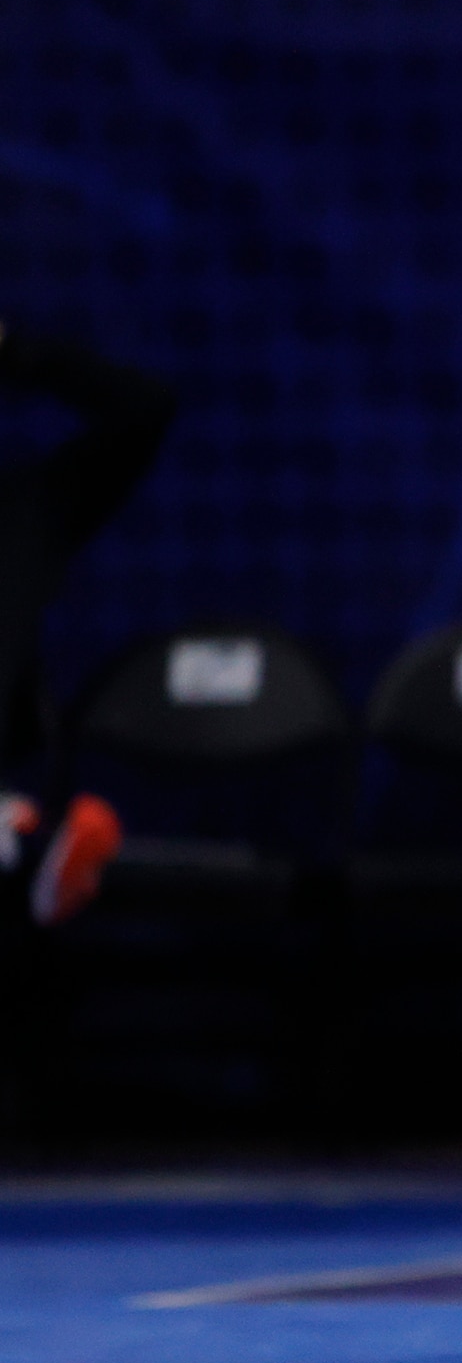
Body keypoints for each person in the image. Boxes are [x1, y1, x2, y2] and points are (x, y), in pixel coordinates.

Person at [0, 322, 174, 927]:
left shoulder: (29, 511)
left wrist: (19, 350)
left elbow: (146, 410)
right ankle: (27, 849)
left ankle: (29, 849)